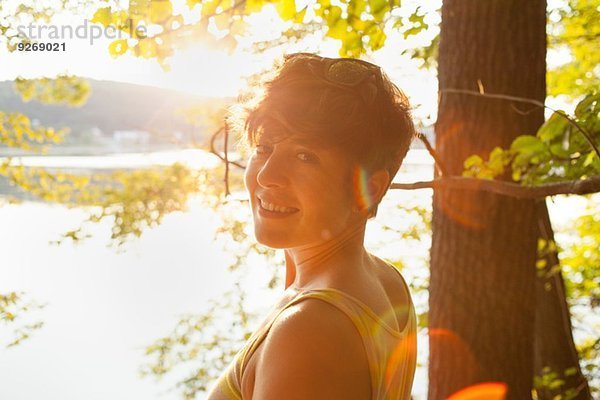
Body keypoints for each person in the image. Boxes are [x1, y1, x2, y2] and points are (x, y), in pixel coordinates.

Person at [207, 52, 417, 400]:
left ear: (368, 189)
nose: (266, 175)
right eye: (264, 148)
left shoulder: (308, 331)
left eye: (306, 156)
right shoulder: (386, 281)